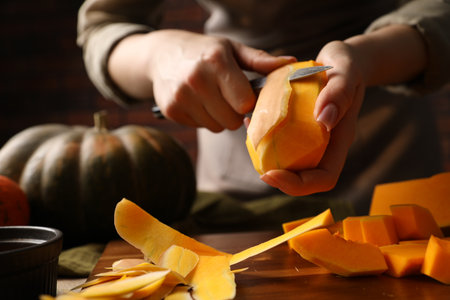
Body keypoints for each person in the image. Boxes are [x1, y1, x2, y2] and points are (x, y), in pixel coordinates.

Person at [77, 0, 450, 226]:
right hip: (236, 166)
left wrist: (366, 58)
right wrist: (159, 56)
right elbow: (102, 27)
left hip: (390, 150)